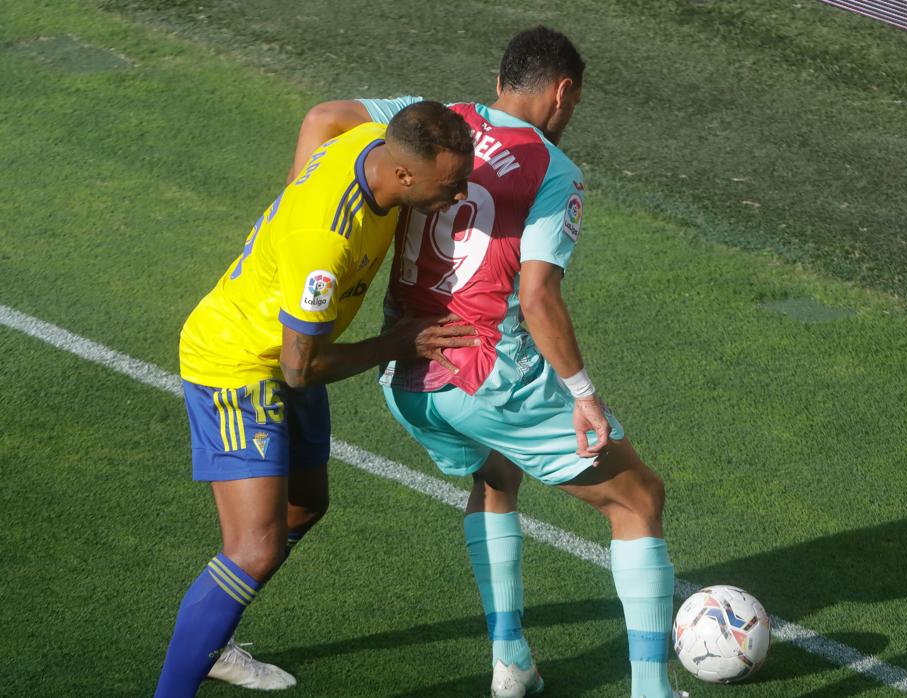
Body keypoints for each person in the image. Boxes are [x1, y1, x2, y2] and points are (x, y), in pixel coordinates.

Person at [290, 27, 684, 698]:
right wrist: (583, 394)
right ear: (563, 92)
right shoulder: (554, 171)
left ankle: (510, 662)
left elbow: (325, 118)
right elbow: (536, 297)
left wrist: (303, 212)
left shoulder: (433, 120)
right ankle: (650, 692)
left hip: (407, 376)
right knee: (637, 497)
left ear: (501, 79)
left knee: (495, 476)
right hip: (489, 379)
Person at [155, 102, 479, 696]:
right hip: (241, 364)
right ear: (405, 176)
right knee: (253, 548)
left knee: (304, 505)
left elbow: (326, 116)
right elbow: (300, 370)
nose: (459, 196)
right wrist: (394, 344)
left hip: (295, 346)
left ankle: (213, 634)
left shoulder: (367, 141)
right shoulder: (325, 243)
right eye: (451, 184)